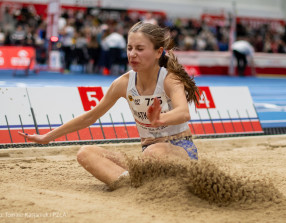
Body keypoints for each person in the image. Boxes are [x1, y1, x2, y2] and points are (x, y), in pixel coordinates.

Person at [19, 21, 200, 189]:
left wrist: (160, 118)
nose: (132, 54)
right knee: (86, 153)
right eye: (129, 48)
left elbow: (184, 113)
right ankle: (129, 185)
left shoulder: (170, 79)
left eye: (139, 48)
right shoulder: (123, 83)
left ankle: (146, 182)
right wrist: (47, 137)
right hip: (148, 156)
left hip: (180, 150)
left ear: (158, 52)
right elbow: (90, 116)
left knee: (153, 153)